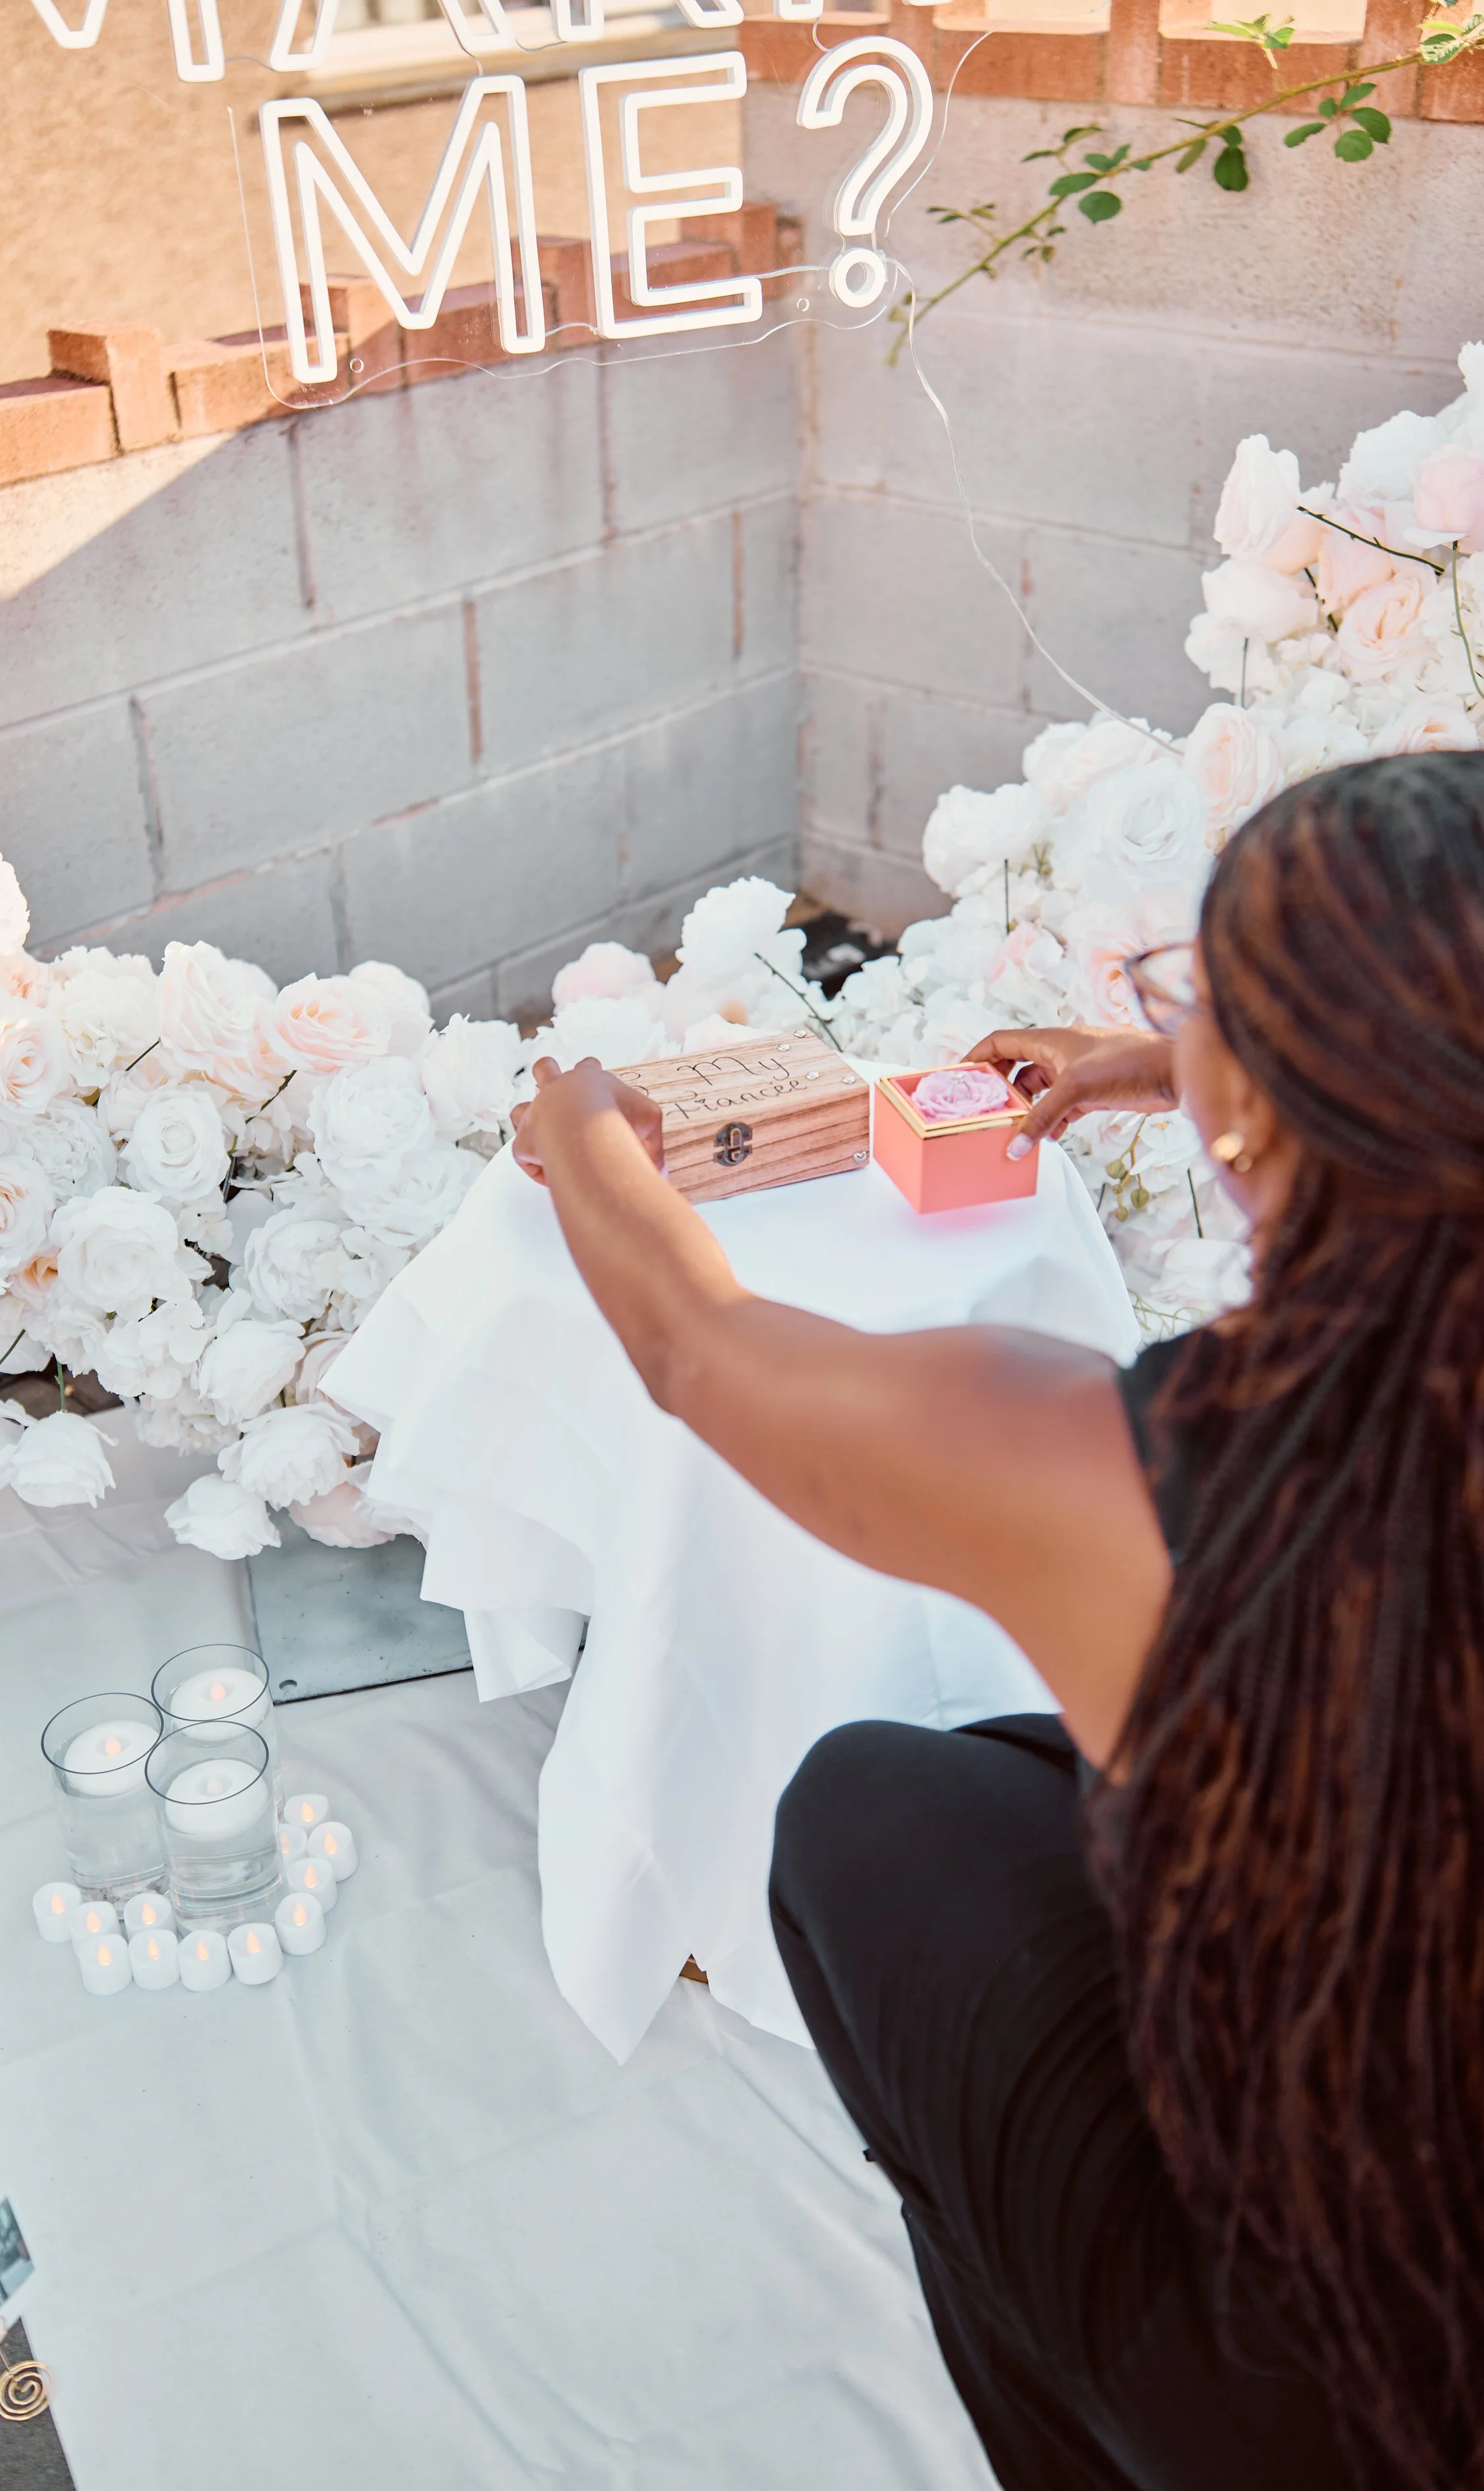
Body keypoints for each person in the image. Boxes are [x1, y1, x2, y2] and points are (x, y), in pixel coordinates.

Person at [511, 750, 1484, 2491]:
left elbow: (697, 1347)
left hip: (1335, 2390)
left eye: (1213, 1012)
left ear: (1269, 1118)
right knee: (1023, 1774)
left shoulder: (1130, 1473)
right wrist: (1158, 1065)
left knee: (861, 1809)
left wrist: (581, 1136)